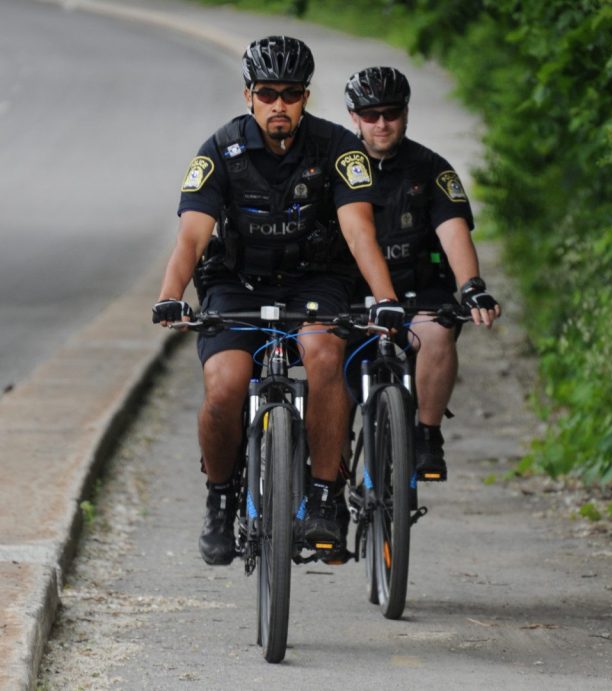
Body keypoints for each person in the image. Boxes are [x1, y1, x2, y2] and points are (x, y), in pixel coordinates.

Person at [152, 37, 404, 566]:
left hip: (317, 280)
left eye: (290, 94)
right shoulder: (220, 150)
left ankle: (324, 495)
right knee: (224, 385)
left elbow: (359, 232)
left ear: (305, 96)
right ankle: (220, 498)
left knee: (325, 355)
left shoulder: (338, 148)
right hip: (237, 282)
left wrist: (385, 299)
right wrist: (170, 297)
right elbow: (192, 236)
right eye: (267, 93)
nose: (279, 104)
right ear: (249, 95)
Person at [344, 66, 501, 481]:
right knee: (328, 366)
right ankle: (329, 476)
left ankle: (428, 434)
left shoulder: (431, 167)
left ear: (406, 113)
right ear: (354, 117)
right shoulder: (337, 166)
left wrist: (472, 287)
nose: (382, 123)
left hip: (418, 289)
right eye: (371, 114)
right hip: (351, 295)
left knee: (437, 333)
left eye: (391, 113)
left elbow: (454, 232)